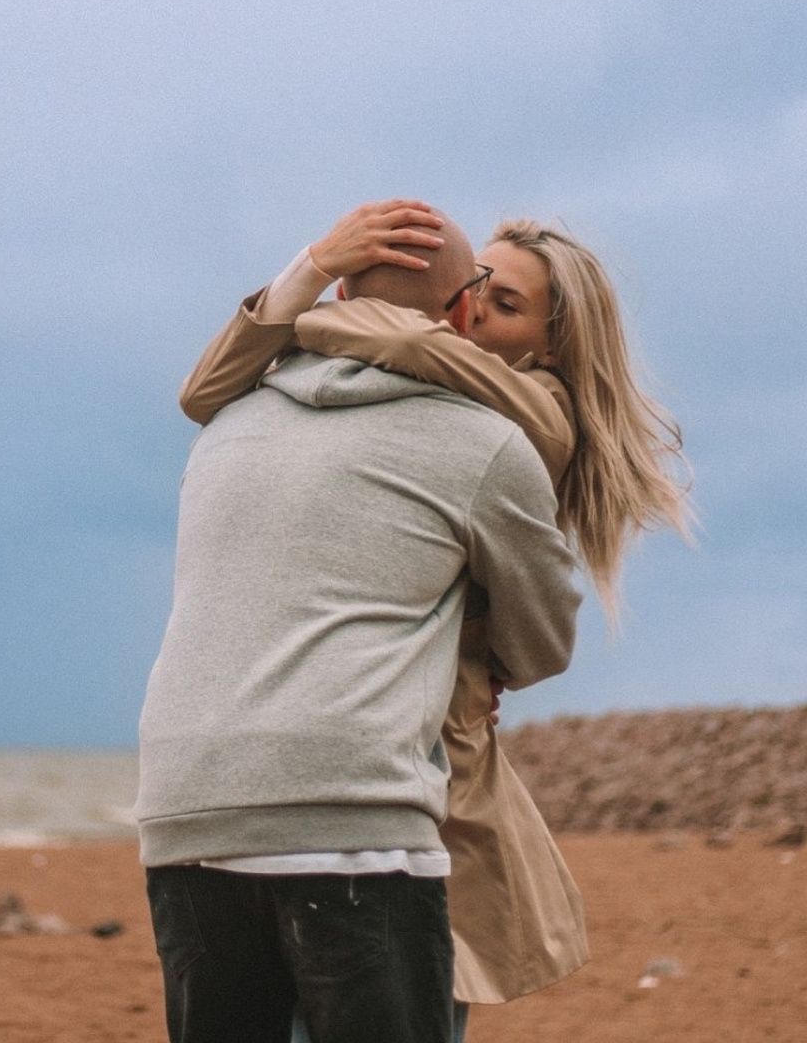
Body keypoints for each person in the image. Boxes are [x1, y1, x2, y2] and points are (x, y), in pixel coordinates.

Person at [178, 200, 693, 1041]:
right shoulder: (424, 398)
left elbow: (414, 343)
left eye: (506, 304)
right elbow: (203, 392)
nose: (475, 308)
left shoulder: (532, 409)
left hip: (411, 756)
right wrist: (315, 278)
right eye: (478, 284)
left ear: (554, 343)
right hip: (379, 745)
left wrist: (314, 306)